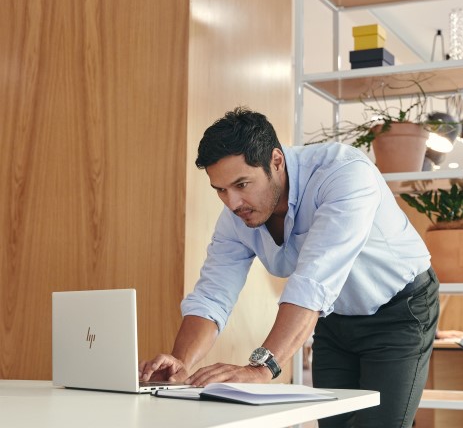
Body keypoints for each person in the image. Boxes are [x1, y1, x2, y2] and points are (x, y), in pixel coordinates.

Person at [140, 107, 439, 428]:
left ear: (276, 161)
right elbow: (212, 295)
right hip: (334, 319)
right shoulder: (236, 216)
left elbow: (313, 282)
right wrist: (180, 362)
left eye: (242, 184)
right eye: (221, 190)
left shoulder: (344, 174)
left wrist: (261, 368)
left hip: (400, 312)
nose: (233, 203)